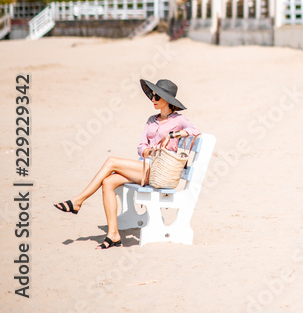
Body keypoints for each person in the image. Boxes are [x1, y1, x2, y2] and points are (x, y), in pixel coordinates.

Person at [54, 79, 200, 249]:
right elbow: (141, 147)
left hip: (161, 173)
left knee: (111, 161)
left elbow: (195, 131)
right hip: (147, 167)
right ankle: (113, 234)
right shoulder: (151, 120)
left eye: (157, 97)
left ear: (166, 100)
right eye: (152, 95)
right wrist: (148, 151)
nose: (153, 99)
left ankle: (78, 201)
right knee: (109, 182)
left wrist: (173, 135)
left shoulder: (179, 119)